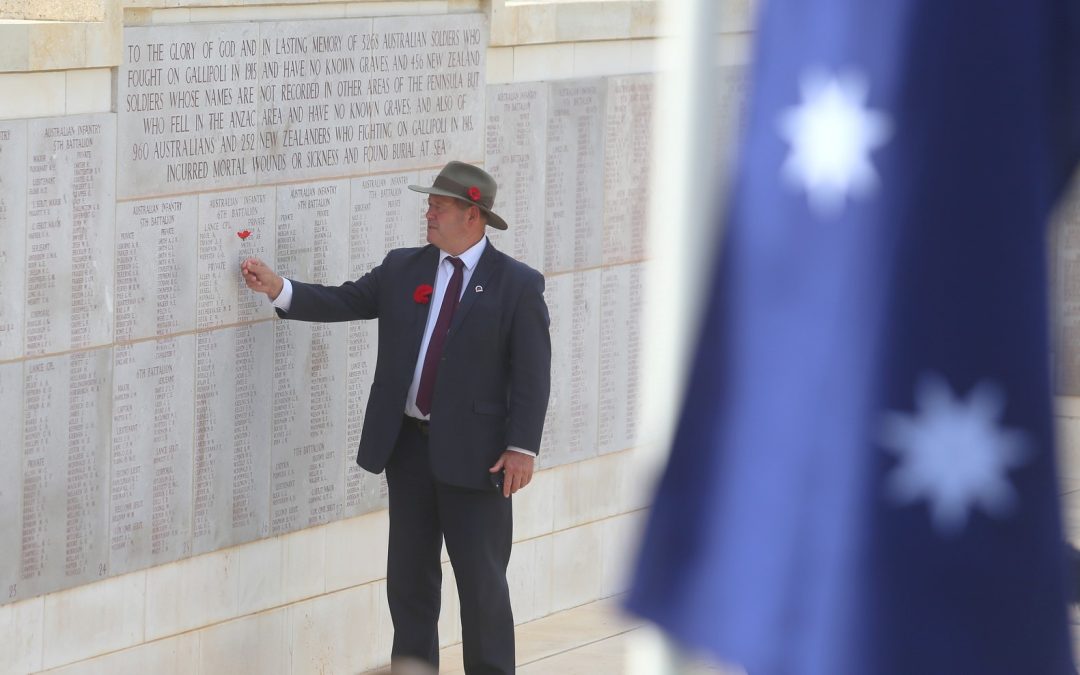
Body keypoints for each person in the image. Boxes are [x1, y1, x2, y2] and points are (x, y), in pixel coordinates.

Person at [241, 161, 551, 675]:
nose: (428, 212)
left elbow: (533, 373)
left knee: (482, 587)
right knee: (408, 586)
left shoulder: (516, 285)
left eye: (439, 205)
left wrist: (522, 447)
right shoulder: (404, 266)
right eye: (429, 203)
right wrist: (280, 289)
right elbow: (345, 300)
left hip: (480, 463)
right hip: (408, 451)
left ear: (472, 215)